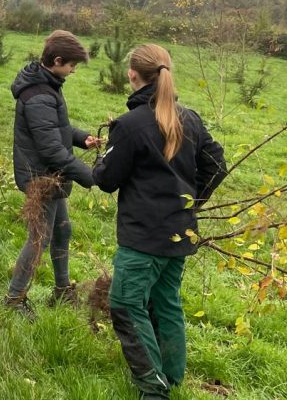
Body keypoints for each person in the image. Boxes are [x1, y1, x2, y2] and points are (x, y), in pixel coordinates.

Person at [92, 44, 227, 400]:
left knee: (125, 305)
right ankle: (171, 376)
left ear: (132, 74)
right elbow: (216, 165)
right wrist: (189, 204)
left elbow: (107, 180)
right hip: (178, 234)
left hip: (142, 240)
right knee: (166, 302)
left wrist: (101, 161)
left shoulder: (130, 125)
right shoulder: (189, 118)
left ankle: (154, 389)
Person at [3, 30, 100, 320]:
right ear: (57, 61)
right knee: (39, 238)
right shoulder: (38, 95)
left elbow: (57, 129)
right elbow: (49, 148)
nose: (73, 71)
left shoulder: (48, 85)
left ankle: (61, 290)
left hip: (51, 175)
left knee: (62, 230)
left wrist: (82, 138)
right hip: (42, 178)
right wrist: (89, 175)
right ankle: (14, 298)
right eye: (71, 65)